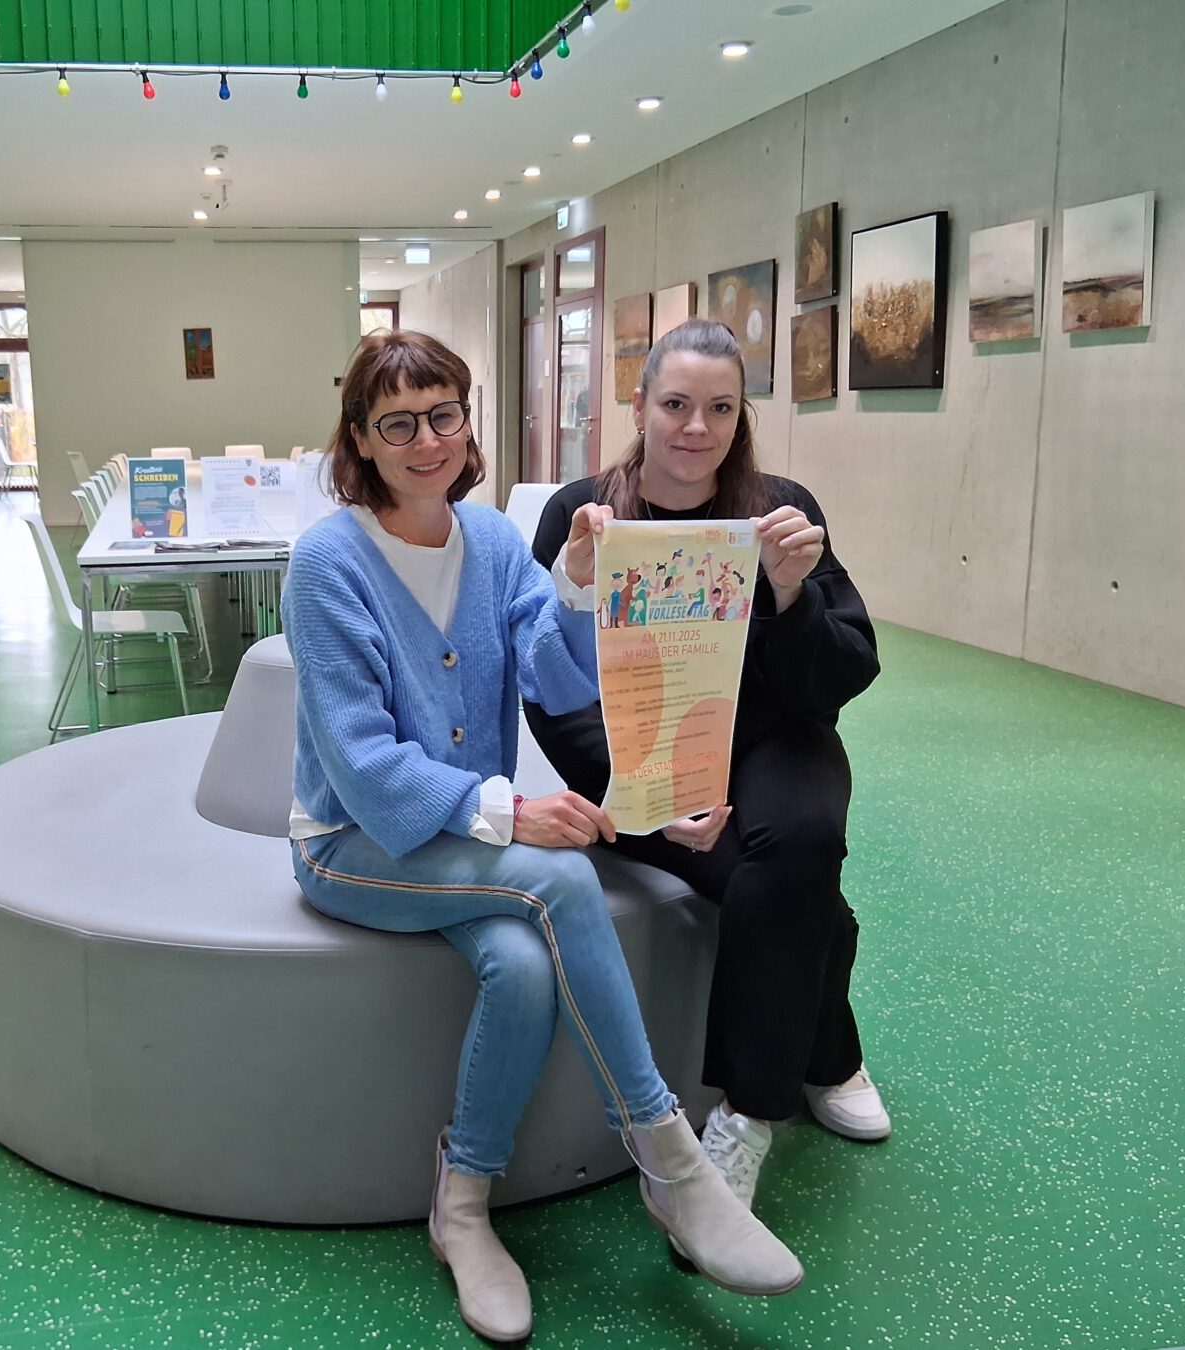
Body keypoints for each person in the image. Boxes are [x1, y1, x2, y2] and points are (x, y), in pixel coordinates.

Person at [282, 330, 803, 1345]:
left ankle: (462, 1207)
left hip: (448, 837)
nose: (427, 438)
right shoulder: (325, 563)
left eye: (444, 414)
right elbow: (360, 763)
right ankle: (672, 1165)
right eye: (398, 422)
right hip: (350, 844)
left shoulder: (484, 540)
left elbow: (561, 677)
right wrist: (511, 814)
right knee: (558, 885)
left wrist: (571, 582)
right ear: (361, 438)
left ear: (466, 423)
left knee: (520, 970)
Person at [525, 317, 885, 1215]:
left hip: (774, 736)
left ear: (741, 416)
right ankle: (830, 1051)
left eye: (719, 408)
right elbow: (550, 686)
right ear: (639, 405)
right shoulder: (583, 512)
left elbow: (845, 671)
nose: (696, 428)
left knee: (801, 840)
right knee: (802, 903)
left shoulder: (781, 506)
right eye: (676, 404)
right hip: (643, 757)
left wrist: (794, 592)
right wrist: (645, 790)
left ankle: (748, 1116)